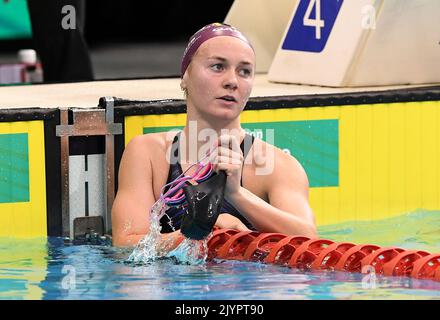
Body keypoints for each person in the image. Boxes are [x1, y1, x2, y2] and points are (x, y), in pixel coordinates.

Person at [112, 23, 317, 248]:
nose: (232, 81)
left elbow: (309, 241)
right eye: (218, 66)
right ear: (185, 76)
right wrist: (201, 232)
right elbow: (125, 244)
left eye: (244, 71)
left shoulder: (278, 165)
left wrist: (237, 194)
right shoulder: (148, 153)